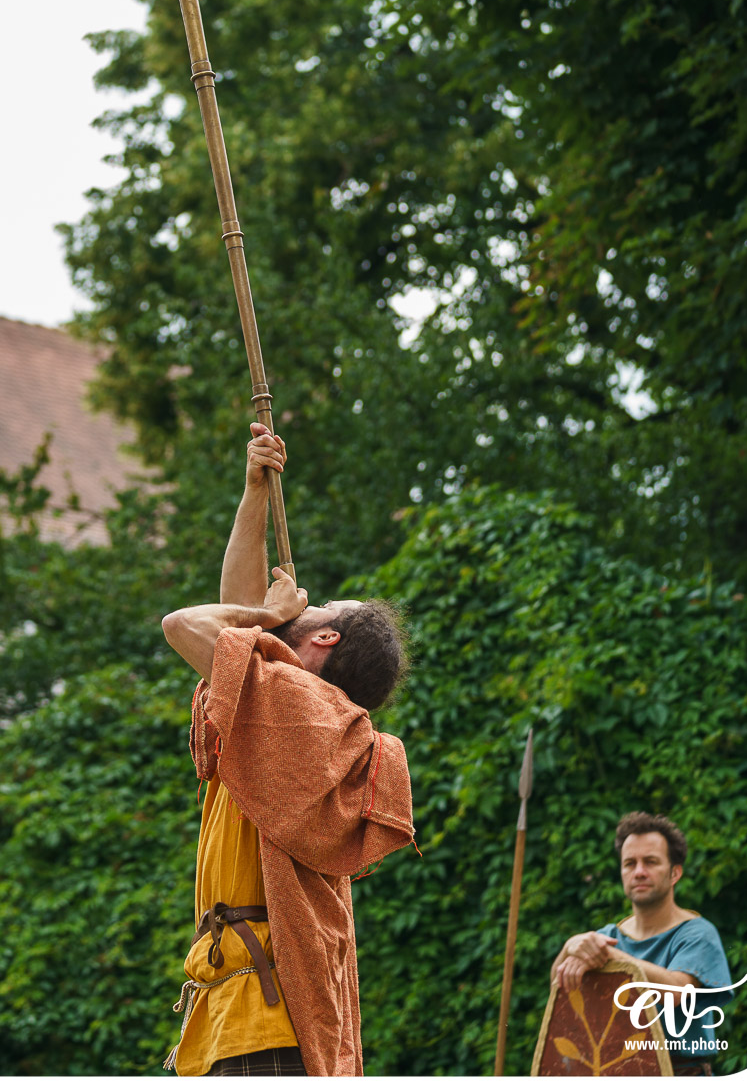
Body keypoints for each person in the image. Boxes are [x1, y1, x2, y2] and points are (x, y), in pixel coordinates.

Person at [160, 422, 415, 1076]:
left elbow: (188, 624)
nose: (307, 603)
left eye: (322, 605)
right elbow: (232, 618)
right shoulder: (279, 709)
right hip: (235, 1009)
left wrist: (264, 617)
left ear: (325, 641)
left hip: (268, 1017)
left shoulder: (306, 711)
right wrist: (253, 493)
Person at [551, 812, 734, 1076]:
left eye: (650, 862)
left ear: (675, 873)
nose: (639, 872)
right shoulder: (607, 937)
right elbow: (559, 992)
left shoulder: (697, 934)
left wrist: (612, 957)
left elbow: (677, 993)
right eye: (629, 864)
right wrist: (570, 946)